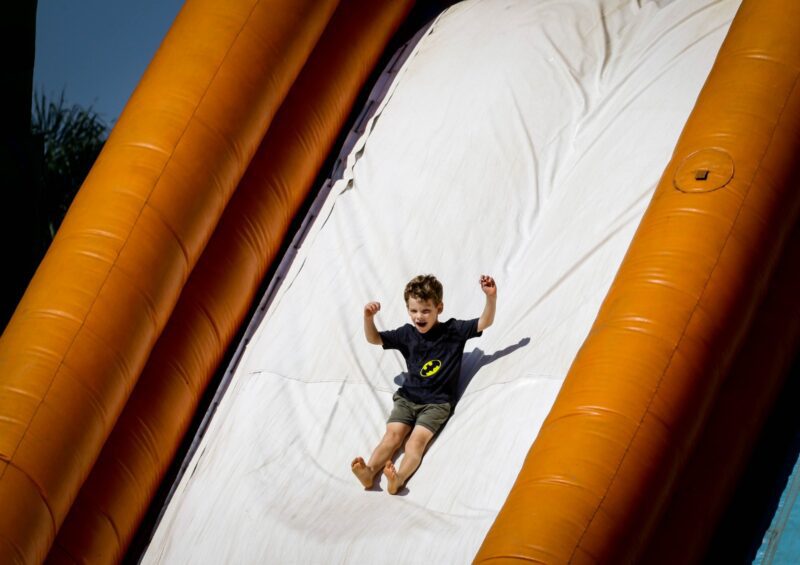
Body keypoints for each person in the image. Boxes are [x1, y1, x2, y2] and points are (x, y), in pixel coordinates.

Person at [351, 274, 497, 494]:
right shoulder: (406, 334)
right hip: (408, 398)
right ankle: (370, 471)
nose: (419, 316)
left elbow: (485, 321)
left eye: (426, 311)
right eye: (414, 311)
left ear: (439, 308)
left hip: (437, 403)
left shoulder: (452, 331)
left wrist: (491, 297)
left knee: (415, 442)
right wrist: (368, 318)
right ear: (408, 309)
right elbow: (373, 339)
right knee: (392, 436)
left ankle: (398, 478)